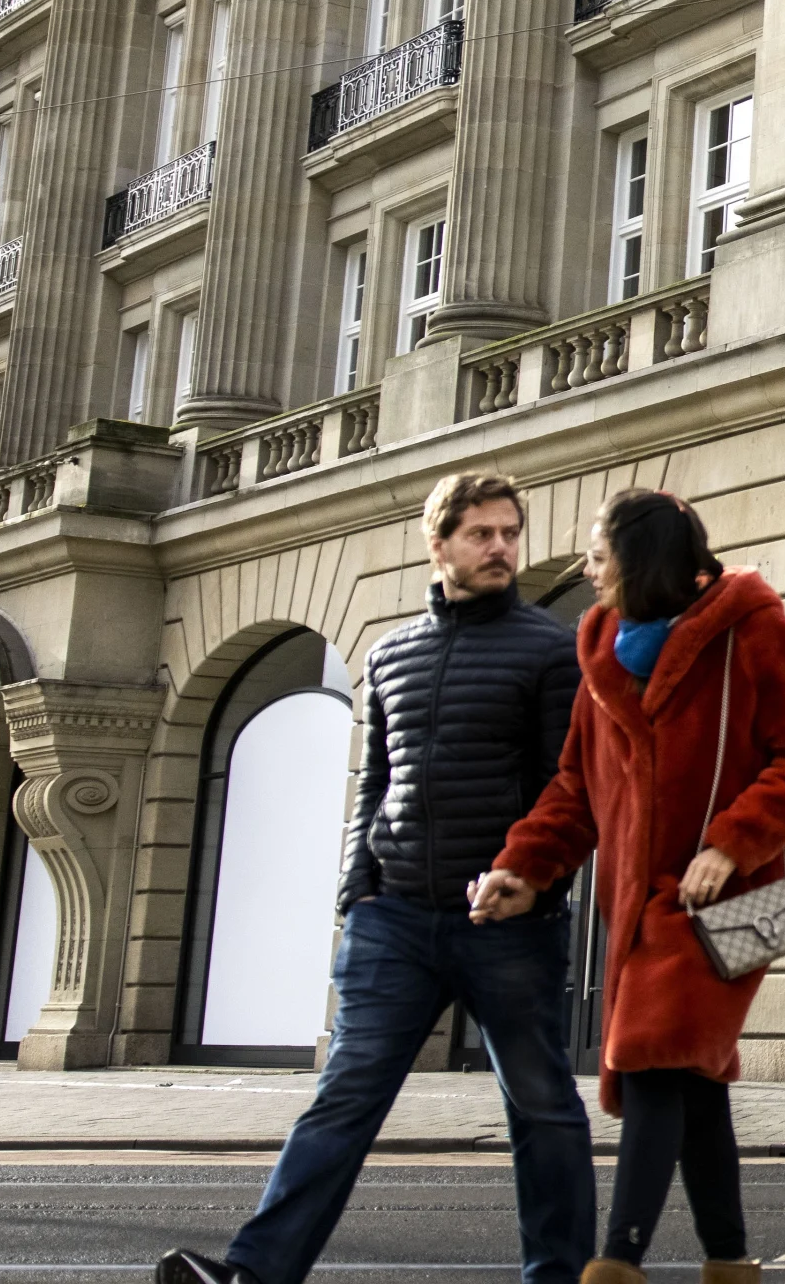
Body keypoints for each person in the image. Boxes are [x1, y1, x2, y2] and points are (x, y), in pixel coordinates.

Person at [163, 473, 591, 1284]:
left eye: (509, 533)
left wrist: (535, 880)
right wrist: (356, 887)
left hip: (508, 921)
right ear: (439, 544)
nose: (500, 547)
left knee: (540, 1107)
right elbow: (376, 778)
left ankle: (558, 1276)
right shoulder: (390, 652)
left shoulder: (548, 649)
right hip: (392, 918)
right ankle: (256, 1274)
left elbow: (565, 785)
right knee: (344, 1097)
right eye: (481, 534)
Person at [474, 490, 785, 1284]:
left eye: (599, 553)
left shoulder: (753, 628)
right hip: (637, 907)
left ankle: (616, 1265)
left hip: (739, 905)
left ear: (639, 559)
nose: (587, 567)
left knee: (650, 1060)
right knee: (694, 1084)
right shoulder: (601, 649)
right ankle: (730, 1263)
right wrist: (524, 866)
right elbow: (575, 789)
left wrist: (732, 843)